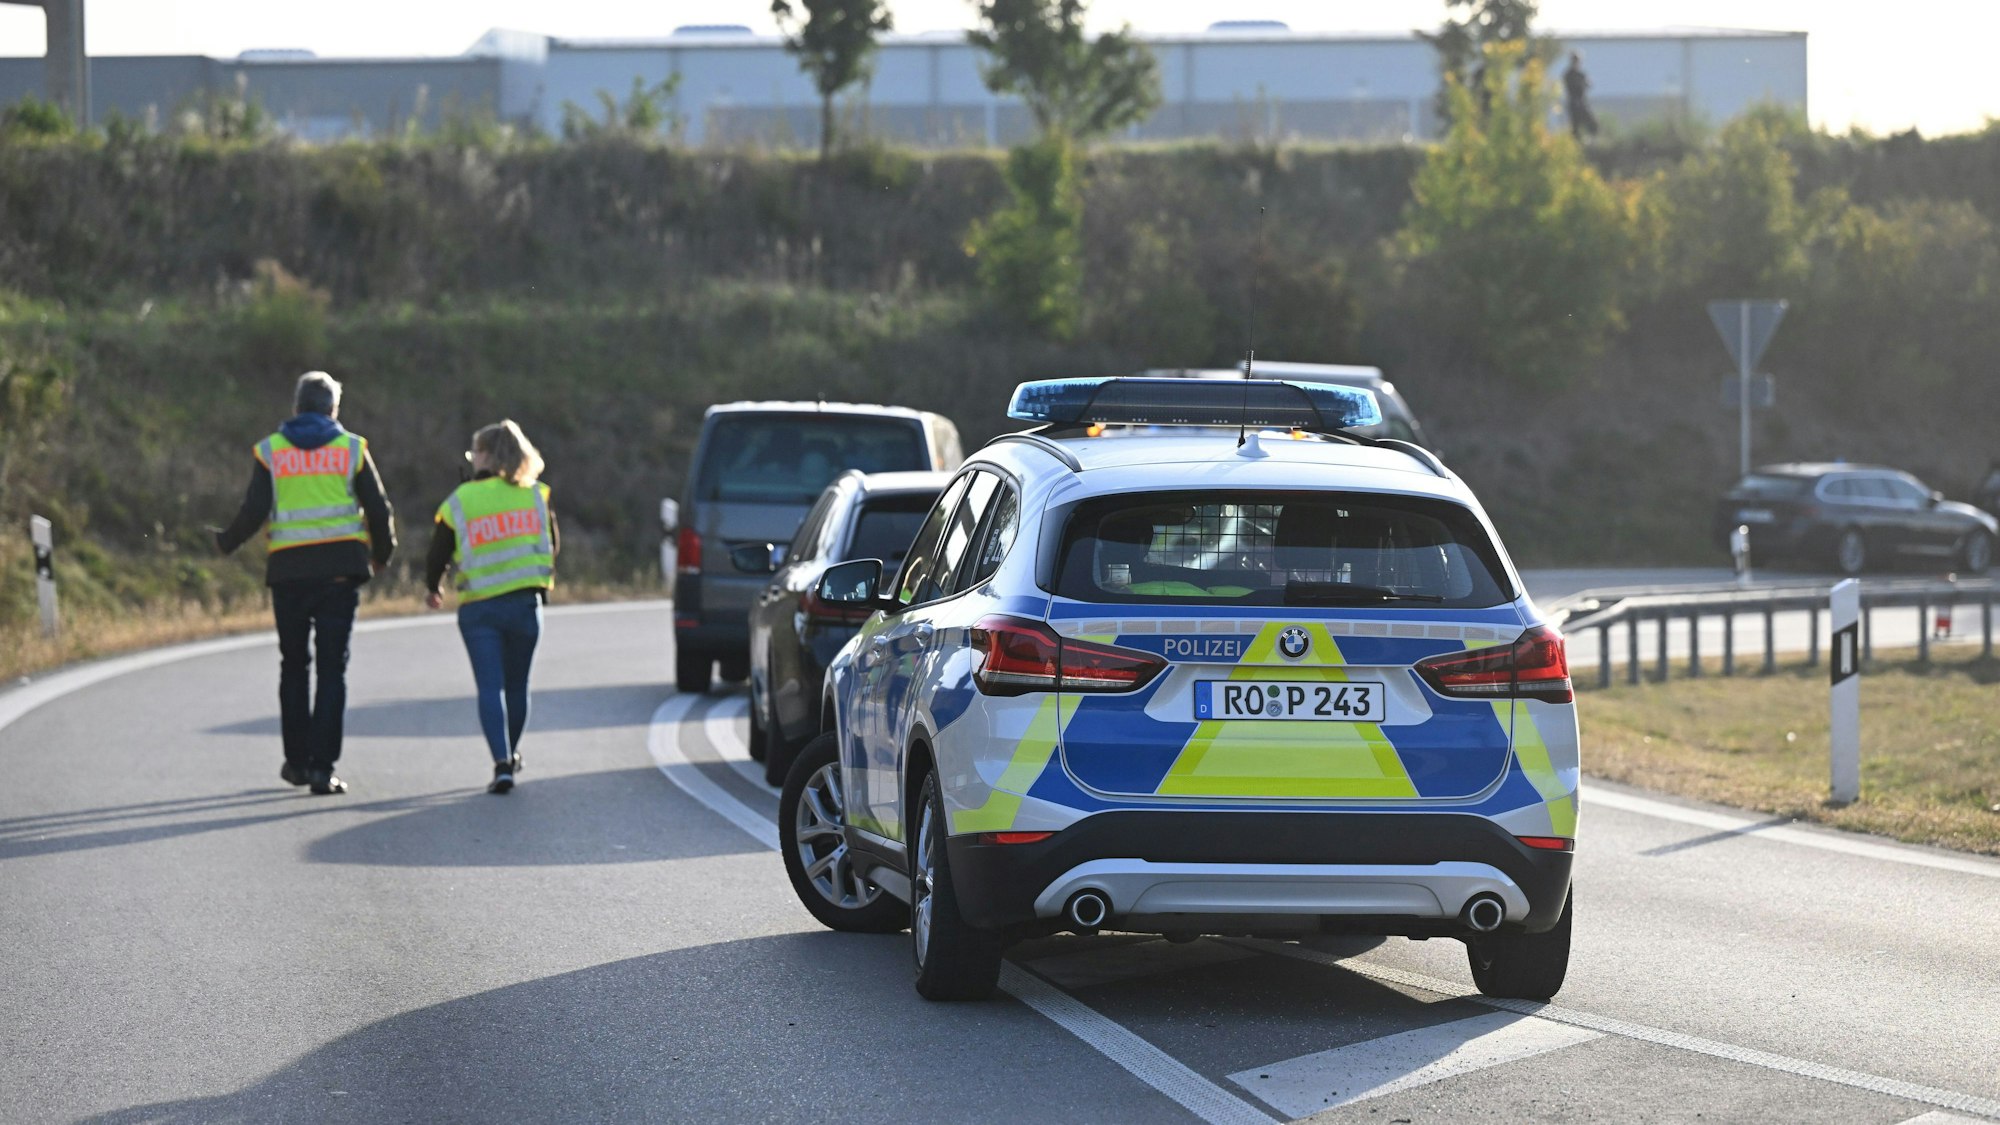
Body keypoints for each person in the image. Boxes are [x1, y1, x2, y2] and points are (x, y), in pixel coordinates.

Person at [215, 371, 396, 796]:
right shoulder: (351, 449)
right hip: (339, 573)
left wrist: (226, 542)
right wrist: (381, 556)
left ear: (296, 407)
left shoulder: (271, 451)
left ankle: (295, 764)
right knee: (333, 671)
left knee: (293, 667)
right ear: (334, 409)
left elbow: (254, 509)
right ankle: (321, 770)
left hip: (289, 575)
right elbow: (378, 508)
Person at [425, 420, 558, 794]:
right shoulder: (536, 495)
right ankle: (512, 753)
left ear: (484, 455)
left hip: (479, 608)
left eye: (474, 451)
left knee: (489, 687)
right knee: (518, 686)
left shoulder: (461, 500)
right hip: (525, 605)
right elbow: (552, 544)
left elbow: (437, 554)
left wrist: (432, 587)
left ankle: (501, 762)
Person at [1563, 51, 1599, 140]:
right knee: (1575, 128)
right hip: (1574, 103)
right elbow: (1570, 86)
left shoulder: (1581, 74)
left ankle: (1590, 141)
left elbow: (1589, 84)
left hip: (1582, 102)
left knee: (1593, 124)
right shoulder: (1568, 74)